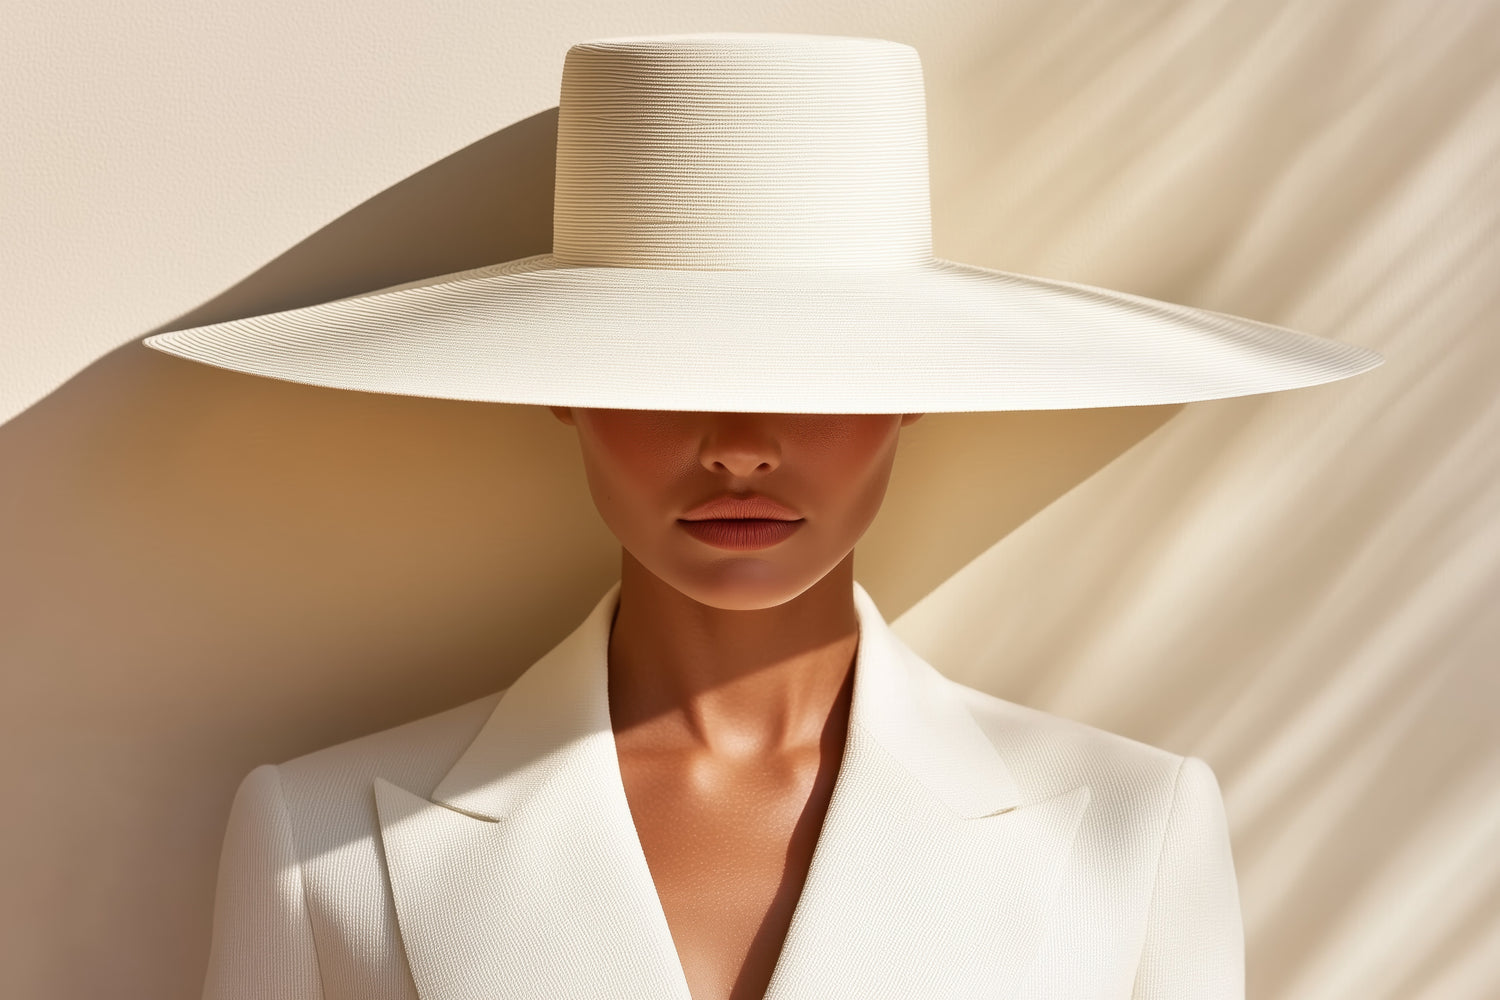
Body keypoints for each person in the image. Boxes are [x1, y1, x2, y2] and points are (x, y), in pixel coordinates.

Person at [145, 31, 1381, 1000]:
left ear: (916, 395)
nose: (739, 447)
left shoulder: (1128, 826)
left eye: (816, 376)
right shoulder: (321, 836)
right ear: (561, 392)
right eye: (663, 373)